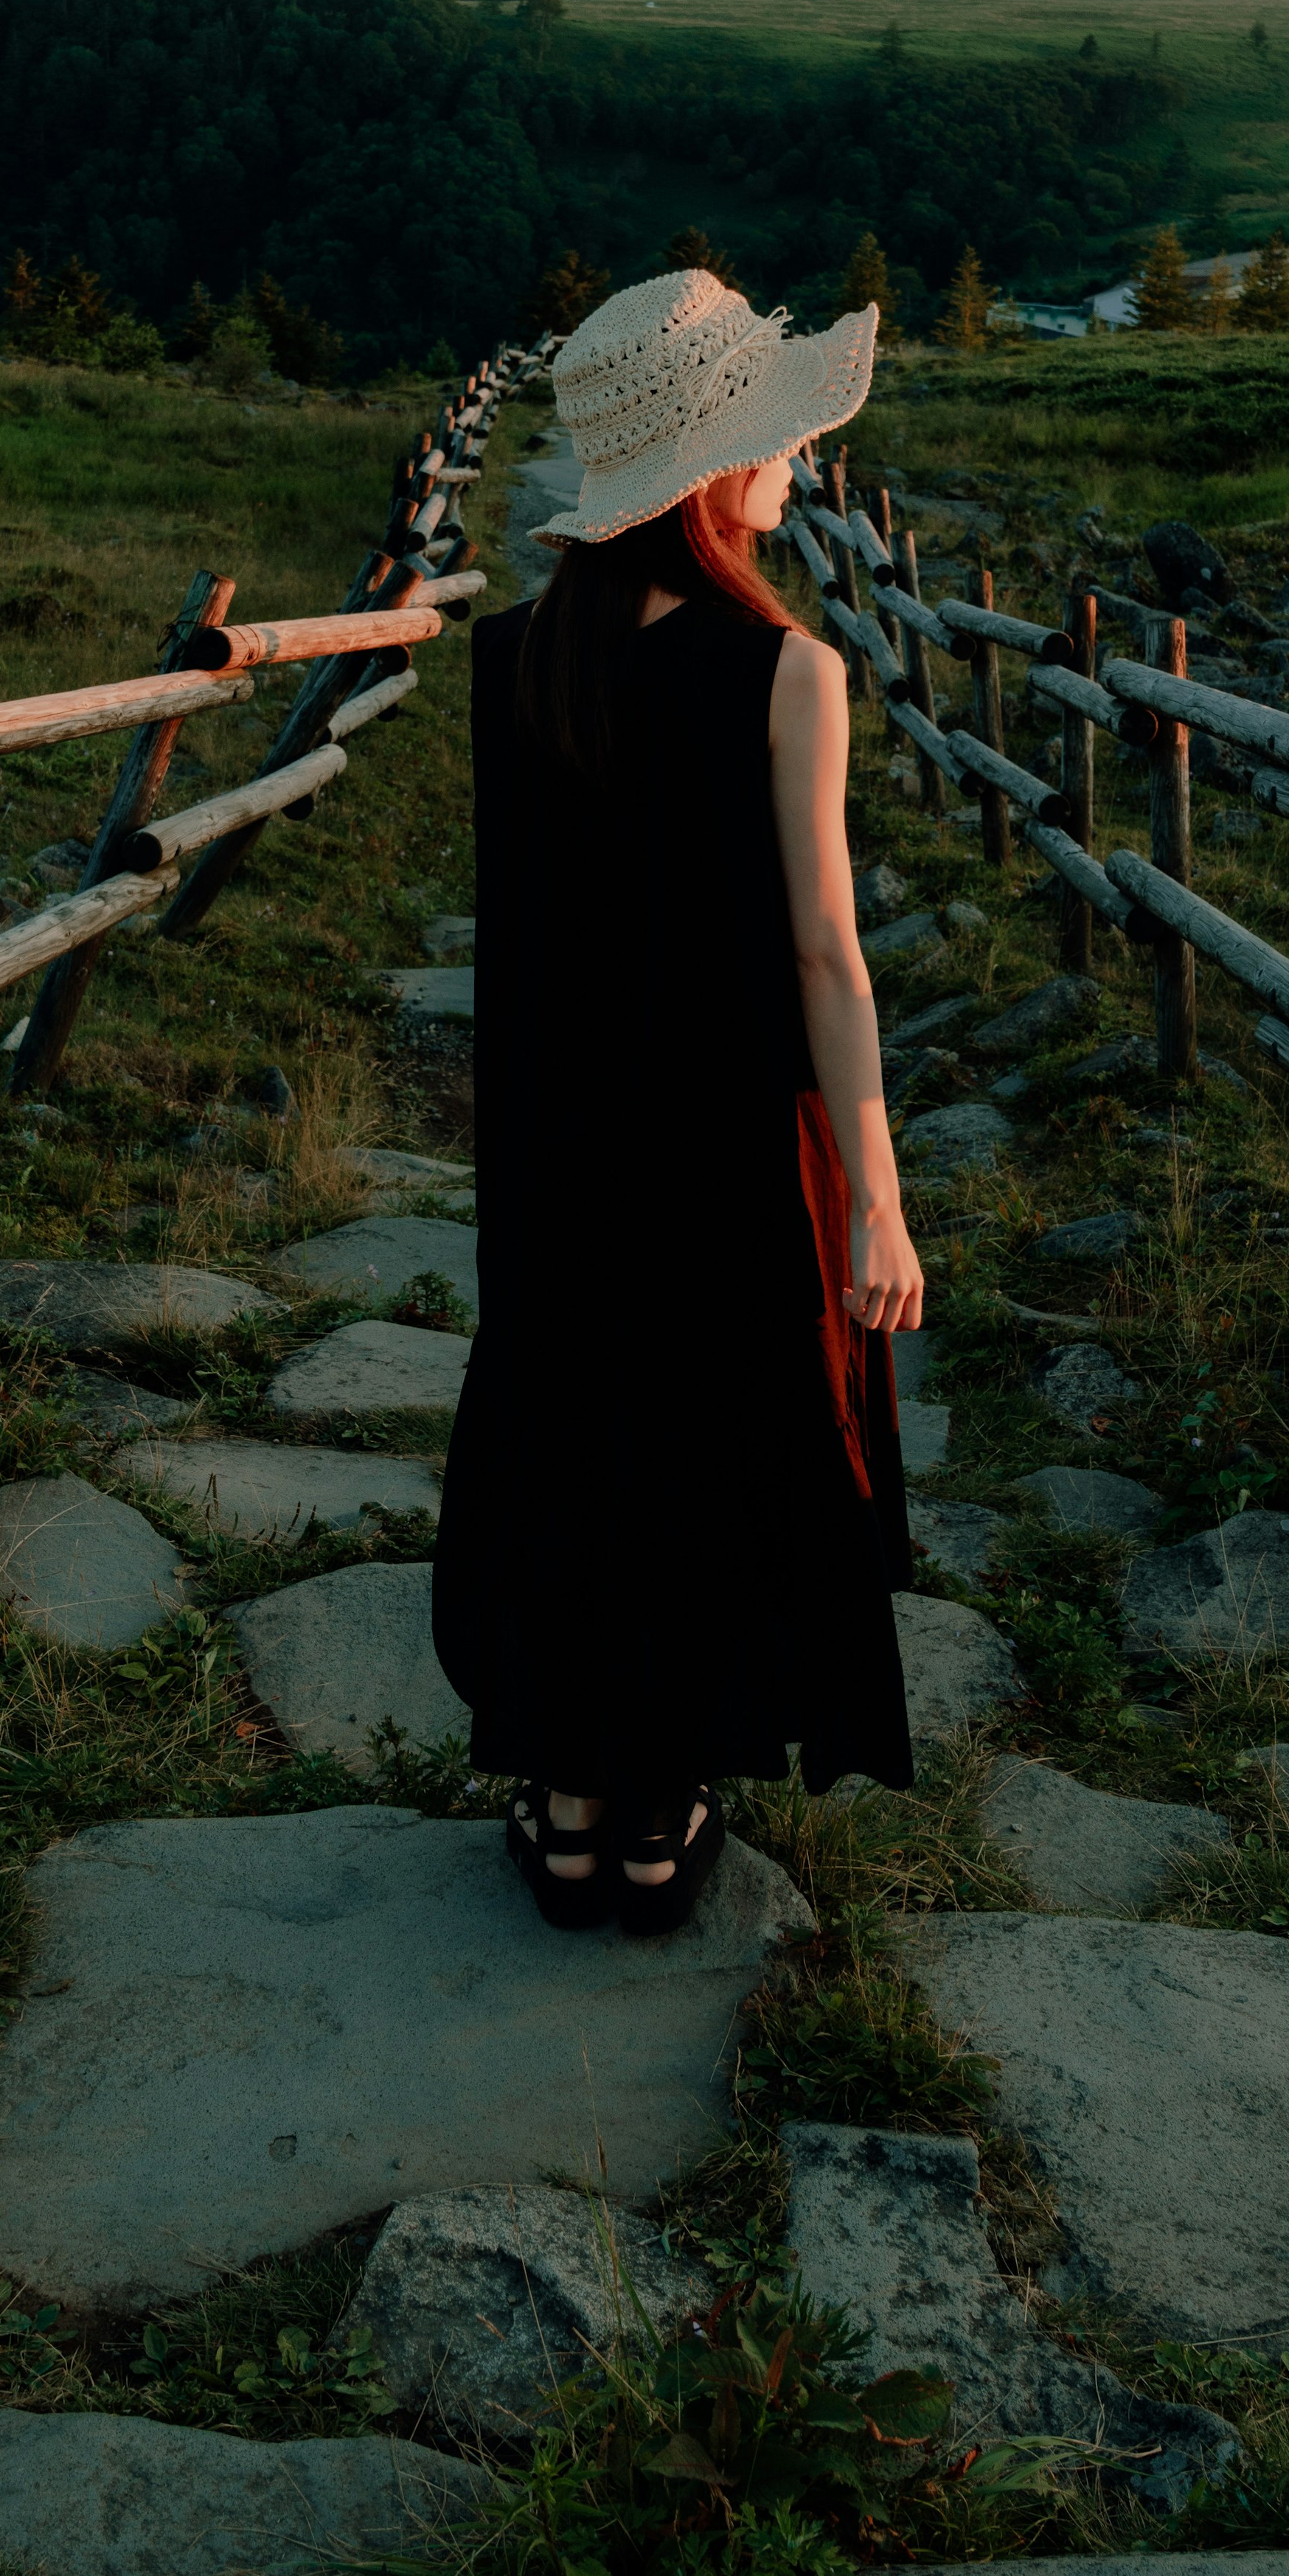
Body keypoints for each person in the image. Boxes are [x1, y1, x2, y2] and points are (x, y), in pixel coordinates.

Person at [434, 266, 923, 1939]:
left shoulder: (513, 666)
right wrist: (875, 1189)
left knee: (574, 1426)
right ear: (715, 472)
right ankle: (657, 1814)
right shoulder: (784, 673)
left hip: (560, 1141)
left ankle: (570, 1799)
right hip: (722, 1143)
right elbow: (826, 957)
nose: (794, 467)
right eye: (776, 441)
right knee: (710, 1438)